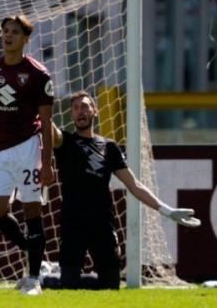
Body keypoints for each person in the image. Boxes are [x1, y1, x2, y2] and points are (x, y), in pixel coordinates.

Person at [50, 90, 201, 289]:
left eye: (85, 106)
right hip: (73, 223)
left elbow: (134, 185)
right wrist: (36, 98)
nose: (80, 111)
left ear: (95, 111)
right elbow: (48, 125)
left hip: (102, 224)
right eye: (76, 108)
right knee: (69, 285)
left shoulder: (109, 147)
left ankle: (49, 281)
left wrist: (167, 210)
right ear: (71, 115)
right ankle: (49, 280)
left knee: (112, 285)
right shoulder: (65, 142)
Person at [0, 15, 54, 296]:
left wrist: (46, 163)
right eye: (5, 31)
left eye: (14, 32)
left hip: (28, 147)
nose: (7, 36)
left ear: (25, 39)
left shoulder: (38, 74)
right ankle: (33, 252)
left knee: (31, 208)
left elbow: (46, 122)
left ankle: (33, 279)